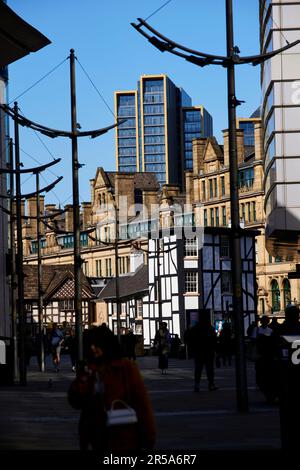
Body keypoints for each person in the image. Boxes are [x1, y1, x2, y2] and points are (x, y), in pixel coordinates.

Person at [68, 327, 156, 452]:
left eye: (96, 344)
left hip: (123, 437)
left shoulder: (125, 368)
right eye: (90, 344)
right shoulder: (89, 369)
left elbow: (142, 404)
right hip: (96, 438)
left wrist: (148, 438)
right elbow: (75, 401)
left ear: (106, 344)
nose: (92, 348)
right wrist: (82, 378)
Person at [186, 315, 218, 392]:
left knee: (198, 369)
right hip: (208, 352)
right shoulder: (210, 329)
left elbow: (188, 339)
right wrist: (215, 351)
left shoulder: (194, 329)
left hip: (198, 352)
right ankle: (211, 384)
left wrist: (192, 349)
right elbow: (214, 341)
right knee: (210, 369)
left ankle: (197, 385)